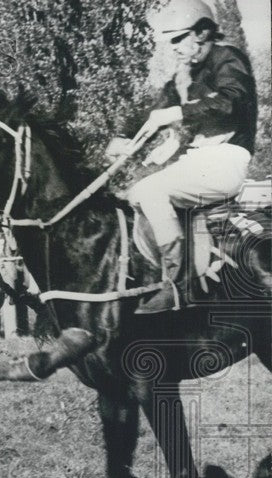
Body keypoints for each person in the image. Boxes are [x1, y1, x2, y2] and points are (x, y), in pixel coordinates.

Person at [121, 0, 257, 314]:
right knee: (135, 193)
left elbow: (230, 102)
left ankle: (178, 286)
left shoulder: (228, 58)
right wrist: (127, 137)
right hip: (197, 164)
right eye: (171, 42)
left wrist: (174, 113)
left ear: (203, 32)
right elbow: (153, 113)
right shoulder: (183, 76)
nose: (175, 48)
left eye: (179, 39)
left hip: (226, 161)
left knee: (149, 191)